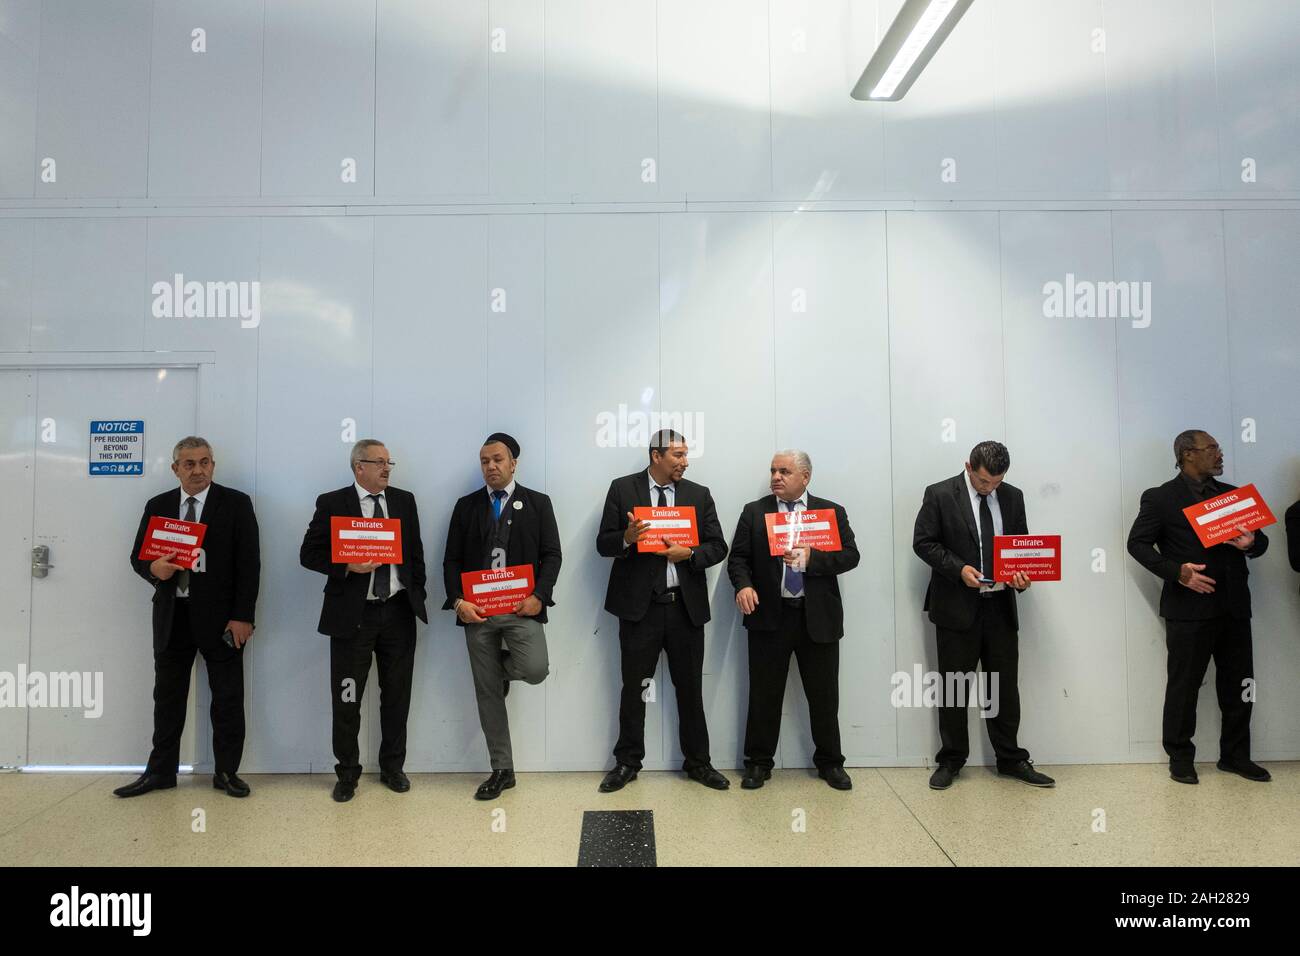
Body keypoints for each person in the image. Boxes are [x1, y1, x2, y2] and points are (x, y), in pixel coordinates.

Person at [116, 437, 260, 799]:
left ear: (213, 464)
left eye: (205, 462)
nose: (199, 470)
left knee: (227, 698)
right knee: (167, 698)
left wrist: (243, 616)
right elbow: (137, 557)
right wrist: (154, 569)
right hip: (172, 617)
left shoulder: (236, 504)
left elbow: (249, 565)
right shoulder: (159, 505)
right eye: (190, 463)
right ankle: (161, 772)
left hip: (222, 621)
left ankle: (226, 772)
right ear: (175, 468)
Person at [1127, 430, 1270, 784]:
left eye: (1218, 449)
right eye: (1212, 450)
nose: (1219, 455)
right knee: (1184, 686)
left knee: (1239, 685)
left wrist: (1252, 542)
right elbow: (1137, 544)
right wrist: (1178, 573)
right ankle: (1180, 757)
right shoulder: (1161, 498)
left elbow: (1262, 542)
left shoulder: (1233, 495)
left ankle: (1235, 756)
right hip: (1188, 609)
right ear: (1188, 454)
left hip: (1234, 607)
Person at [912, 440, 1055, 790]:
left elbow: (1021, 546)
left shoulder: (1013, 496)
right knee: (954, 687)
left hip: (1000, 606)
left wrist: (1023, 576)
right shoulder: (940, 493)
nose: (989, 488)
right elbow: (924, 542)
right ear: (968, 466)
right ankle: (951, 760)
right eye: (982, 482)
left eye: (995, 482)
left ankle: (1010, 758)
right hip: (956, 607)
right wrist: (958, 569)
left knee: (1004, 689)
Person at [594, 429, 730, 792]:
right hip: (640, 611)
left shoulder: (698, 495)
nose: (685, 462)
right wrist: (627, 538)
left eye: (686, 456)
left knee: (690, 689)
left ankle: (698, 763)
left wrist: (691, 554)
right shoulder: (623, 489)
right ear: (656, 456)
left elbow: (719, 546)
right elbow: (603, 543)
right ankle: (627, 763)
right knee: (633, 689)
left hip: (684, 609)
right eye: (678, 455)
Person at [300, 439, 427, 802]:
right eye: (380, 462)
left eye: (390, 463)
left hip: (399, 612)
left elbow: (415, 553)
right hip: (352, 617)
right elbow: (308, 554)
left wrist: (417, 592)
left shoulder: (404, 501)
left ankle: (392, 767)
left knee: (397, 695)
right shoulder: (332, 502)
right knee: (347, 697)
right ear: (359, 467)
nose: (387, 468)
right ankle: (347, 773)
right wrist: (346, 566)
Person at [727, 450, 859, 790]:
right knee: (763, 695)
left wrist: (813, 559)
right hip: (770, 617)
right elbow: (738, 558)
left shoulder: (831, 512)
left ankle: (831, 763)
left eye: (784, 471)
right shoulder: (755, 512)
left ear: (805, 477)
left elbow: (850, 556)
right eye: (772, 470)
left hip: (818, 618)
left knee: (824, 696)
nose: (776, 476)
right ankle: (758, 763)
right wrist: (743, 586)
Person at [443, 433, 561, 800]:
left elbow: (552, 555)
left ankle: (500, 670)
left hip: (520, 608)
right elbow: (451, 560)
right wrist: (458, 601)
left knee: (536, 669)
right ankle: (502, 769)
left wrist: (539, 597)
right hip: (477, 612)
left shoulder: (538, 503)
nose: (490, 467)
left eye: (497, 459)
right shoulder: (466, 506)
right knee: (487, 692)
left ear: (514, 463)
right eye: (484, 461)